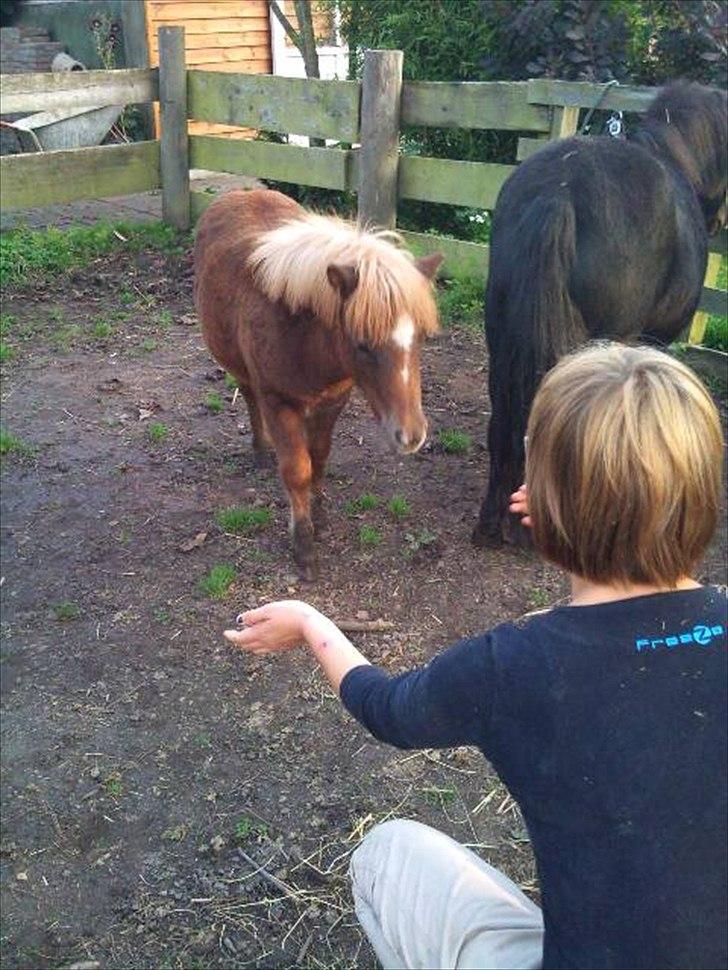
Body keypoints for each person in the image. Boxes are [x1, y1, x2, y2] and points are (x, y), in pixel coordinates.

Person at [223, 342, 727, 970]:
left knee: (384, 853)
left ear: (546, 500)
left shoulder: (513, 666)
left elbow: (385, 707)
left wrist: (309, 620)